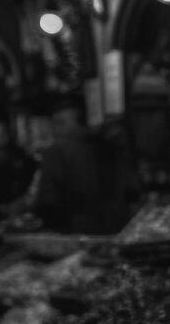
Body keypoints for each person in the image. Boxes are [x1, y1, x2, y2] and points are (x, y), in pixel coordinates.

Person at [27, 95, 137, 235]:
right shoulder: (110, 147)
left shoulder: (56, 152)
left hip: (74, 235)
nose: (55, 130)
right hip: (118, 231)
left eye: (59, 123)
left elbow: (48, 202)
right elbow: (131, 191)